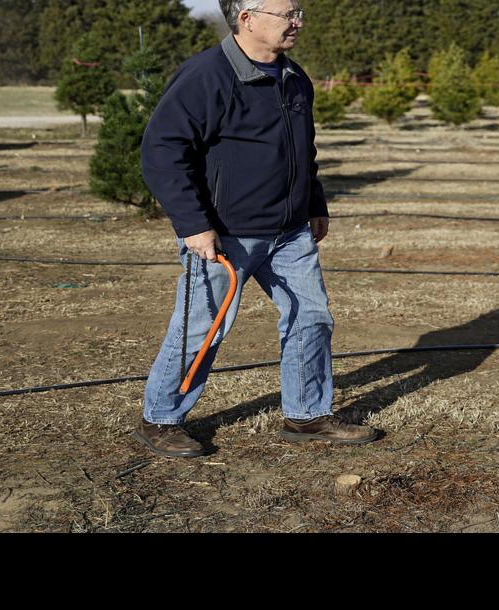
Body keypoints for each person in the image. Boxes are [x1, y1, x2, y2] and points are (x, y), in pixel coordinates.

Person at [132, 0, 377, 458]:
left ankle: (306, 414)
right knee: (203, 328)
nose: (297, 22)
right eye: (288, 14)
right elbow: (162, 150)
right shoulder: (207, 75)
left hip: (290, 232)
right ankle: (161, 419)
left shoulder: (294, 76)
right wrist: (193, 223)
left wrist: (314, 203)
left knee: (312, 318)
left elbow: (304, 149)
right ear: (247, 18)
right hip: (225, 233)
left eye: (299, 12)